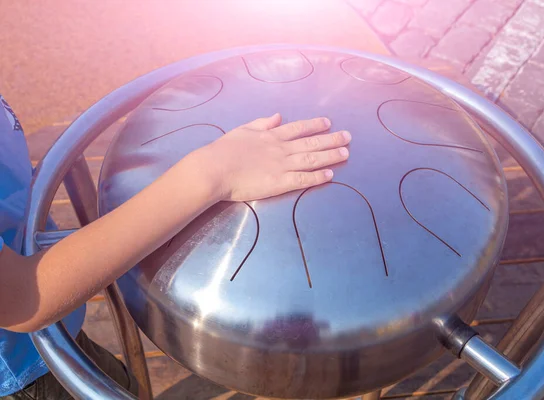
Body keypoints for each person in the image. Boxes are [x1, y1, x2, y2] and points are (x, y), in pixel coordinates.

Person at [0, 93, 351, 399]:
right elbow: (24, 298)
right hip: (23, 373)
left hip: (43, 342)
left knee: (118, 381)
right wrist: (212, 172)